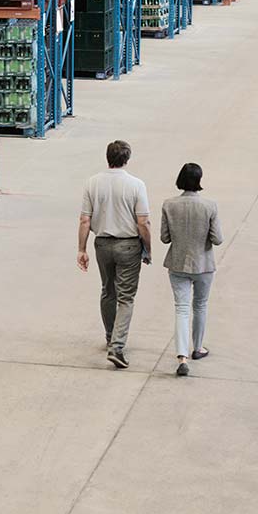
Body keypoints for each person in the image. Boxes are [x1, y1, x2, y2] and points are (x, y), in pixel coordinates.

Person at [77, 140, 151, 369]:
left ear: (107, 157)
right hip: (128, 245)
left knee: (108, 291)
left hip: (102, 245)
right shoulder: (136, 185)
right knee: (126, 297)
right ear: (127, 159)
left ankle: (110, 336)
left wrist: (82, 249)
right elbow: (143, 222)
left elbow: (85, 219)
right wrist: (147, 248)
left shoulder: (92, 183)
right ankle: (117, 347)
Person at [161, 162, 223, 377]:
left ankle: (182, 356)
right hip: (203, 264)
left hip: (178, 263)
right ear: (199, 180)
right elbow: (217, 239)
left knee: (181, 308)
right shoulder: (210, 206)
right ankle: (197, 348)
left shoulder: (169, 205)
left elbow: (164, 237)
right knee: (200, 305)